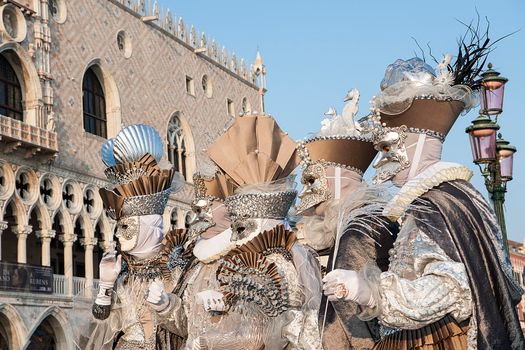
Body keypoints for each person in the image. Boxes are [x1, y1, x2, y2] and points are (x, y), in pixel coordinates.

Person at [323, 55, 525, 349]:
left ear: (410, 145)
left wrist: (372, 292)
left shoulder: (442, 202)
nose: (382, 157)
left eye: (387, 147)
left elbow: (453, 287)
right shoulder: (427, 203)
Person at [148, 114, 324, 349]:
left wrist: (207, 340)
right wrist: (167, 306)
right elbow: (189, 325)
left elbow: (271, 335)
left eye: (239, 226)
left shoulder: (275, 264)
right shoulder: (206, 265)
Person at [295, 93, 396, 350]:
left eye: (311, 181)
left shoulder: (357, 231)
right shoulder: (372, 220)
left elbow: (347, 323)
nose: (305, 190)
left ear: (335, 181)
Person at [79, 124, 193, 350]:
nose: (119, 234)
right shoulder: (123, 271)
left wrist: (167, 306)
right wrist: (106, 285)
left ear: (149, 226)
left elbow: (193, 326)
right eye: (118, 226)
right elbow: (99, 328)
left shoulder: (178, 265)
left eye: (127, 226)